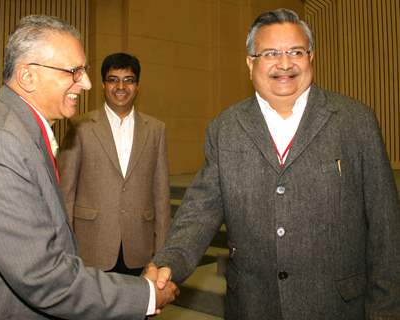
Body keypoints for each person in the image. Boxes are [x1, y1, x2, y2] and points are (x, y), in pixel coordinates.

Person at [145, 8, 400, 320]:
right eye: (270, 53)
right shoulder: (225, 129)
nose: (284, 64)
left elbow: (386, 229)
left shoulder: (355, 121)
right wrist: (169, 262)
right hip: (253, 306)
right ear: (250, 62)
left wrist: (385, 311)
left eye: (296, 51)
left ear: (311, 57)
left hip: (339, 306)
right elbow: (199, 214)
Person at [0, 15, 178, 319]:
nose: (87, 83)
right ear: (28, 76)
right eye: (74, 72)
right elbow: (41, 275)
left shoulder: (20, 131)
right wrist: (145, 295)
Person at [57, 52, 171, 276]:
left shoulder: (156, 130)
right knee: (93, 311)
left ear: (137, 86)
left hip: (139, 248)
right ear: (103, 85)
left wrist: (162, 255)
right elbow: (66, 193)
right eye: (113, 79)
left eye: (128, 80)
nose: (121, 86)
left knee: (137, 311)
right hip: (91, 247)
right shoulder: (80, 126)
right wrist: (64, 248)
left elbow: (161, 196)